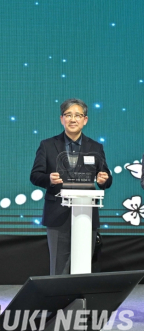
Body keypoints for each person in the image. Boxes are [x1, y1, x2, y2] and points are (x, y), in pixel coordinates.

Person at [30, 98, 112, 275]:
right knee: (58, 269)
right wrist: (49, 179)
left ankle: (80, 295)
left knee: (83, 267)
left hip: (86, 215)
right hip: (57, 214)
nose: (73, 119)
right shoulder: (47, 145)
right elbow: (35, 176)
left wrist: (103, 179)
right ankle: (57, 295)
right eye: (68, 115)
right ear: (62, 119)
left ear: (85, 120)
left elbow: (106, 178)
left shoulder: (96, 147)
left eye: (78, 115)